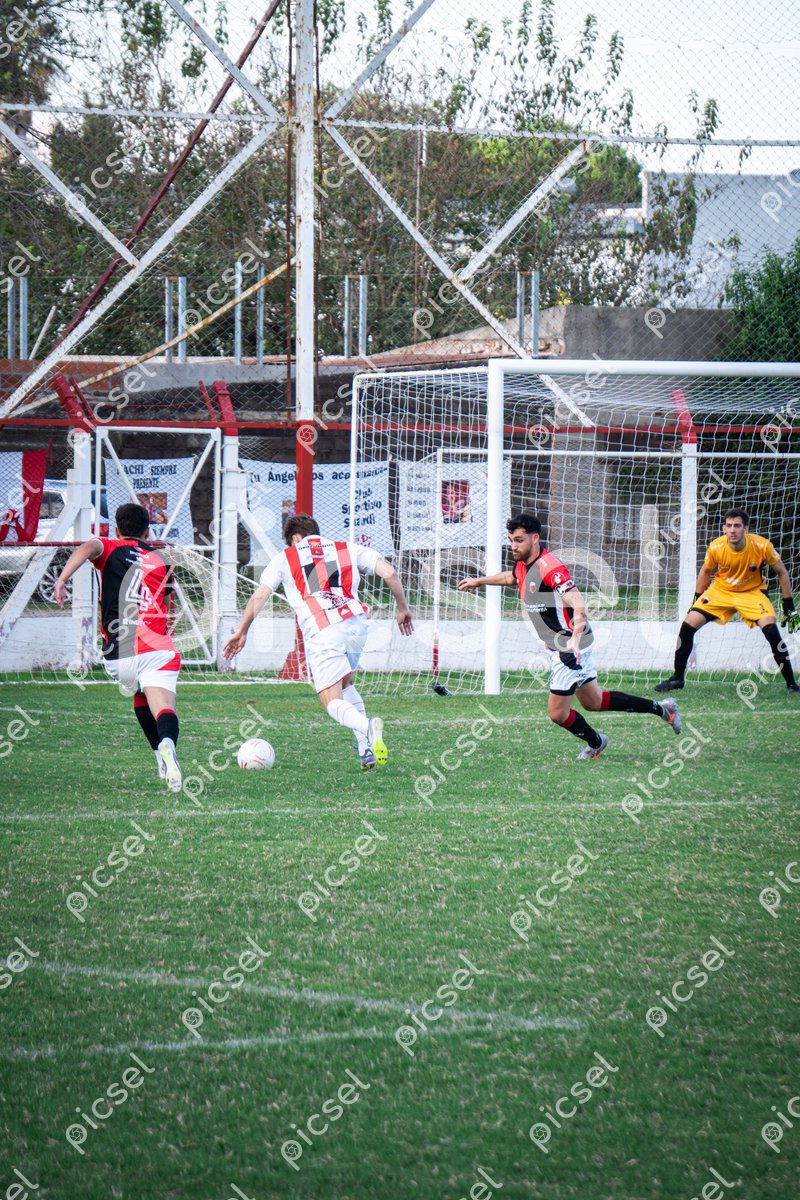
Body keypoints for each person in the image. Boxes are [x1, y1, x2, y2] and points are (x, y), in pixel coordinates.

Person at [458, 512, 681, 760]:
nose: (513, 546)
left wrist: (573, 638)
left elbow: (578, 602)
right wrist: (479, 581)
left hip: (569, 646)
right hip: (565, 644)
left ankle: (597, 742)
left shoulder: (550, 568)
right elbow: (512, 577)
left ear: (535, 538)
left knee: (557, 714)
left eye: (519, 540)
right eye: (511, 540)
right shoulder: (523, 563)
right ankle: (663, 708)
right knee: (593, 701)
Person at [223, 513, 414, 769]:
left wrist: (242, 630)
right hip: (356, 623)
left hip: (324, 629)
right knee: (346, 684)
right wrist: (402, 608)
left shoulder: (286, 557)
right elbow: (390, 573)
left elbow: (260, 596)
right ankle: (365, 748)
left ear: (295, 538)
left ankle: (367, 727)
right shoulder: (346, 548)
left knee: (331, 701)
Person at [54, 502, 182, 791]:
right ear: (147, 532)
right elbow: (166, 603)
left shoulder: (109, 547)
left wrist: (62, 580)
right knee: (163, 708)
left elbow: (87, 547)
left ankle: (159, 759)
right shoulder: (161, 559)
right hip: (157, 649)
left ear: (116, 530)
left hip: (118, 655)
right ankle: (166, 744)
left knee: (139, 690)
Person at [656, 508, 800, 694]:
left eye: (737, 526)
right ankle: (677, 678)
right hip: (721, 591)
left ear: (745, 529)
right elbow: (705, 571)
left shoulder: (762, 546)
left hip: (752, 592)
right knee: (687, 626)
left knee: (771, 631)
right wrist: (696, 601)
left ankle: (791, 685)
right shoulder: (716, 546)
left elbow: (782, 572)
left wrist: (789, 605)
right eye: (729, 526)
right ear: (724, 528)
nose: (733, 530)